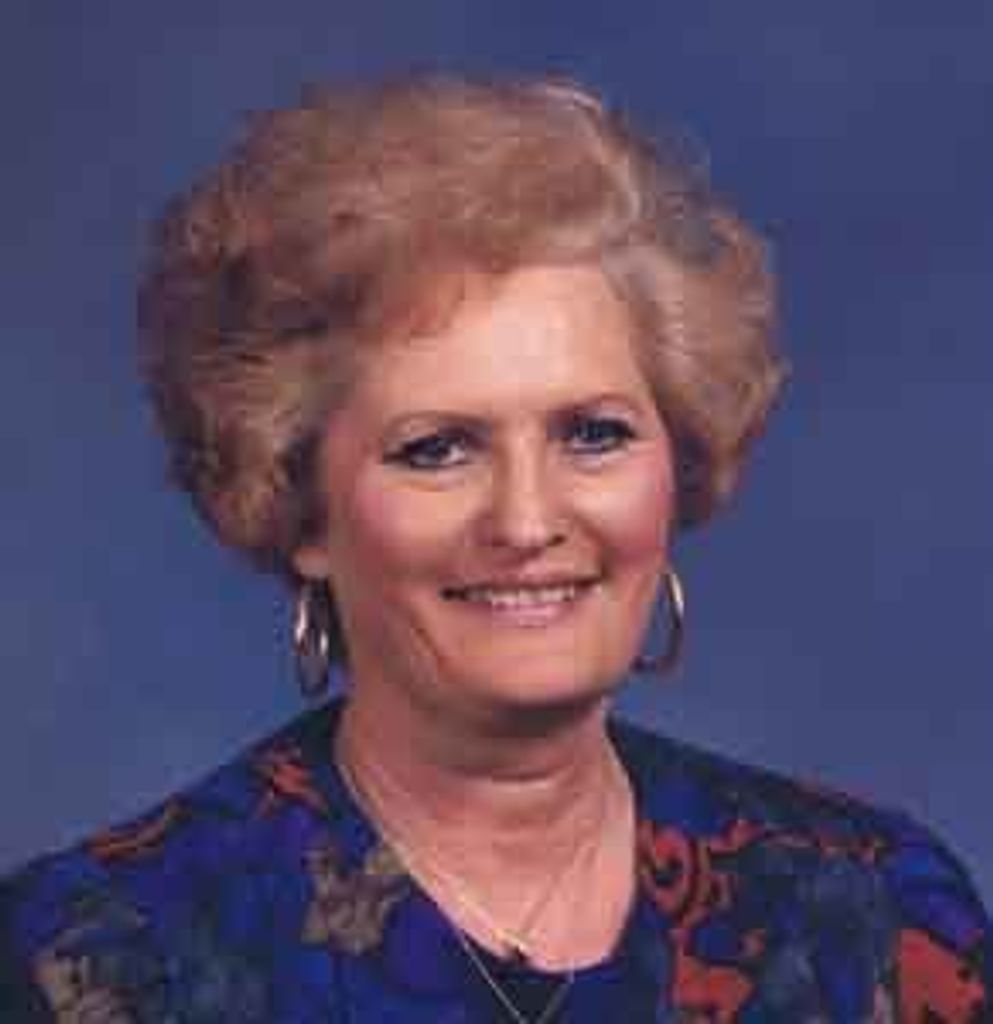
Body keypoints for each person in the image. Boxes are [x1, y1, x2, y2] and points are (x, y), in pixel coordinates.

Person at [1, 74, 989, 1023]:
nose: (525, 521)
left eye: (593, 434)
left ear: (675, 461)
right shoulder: (102, 956)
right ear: (301, 511)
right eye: (437, 449)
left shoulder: (873, 913)